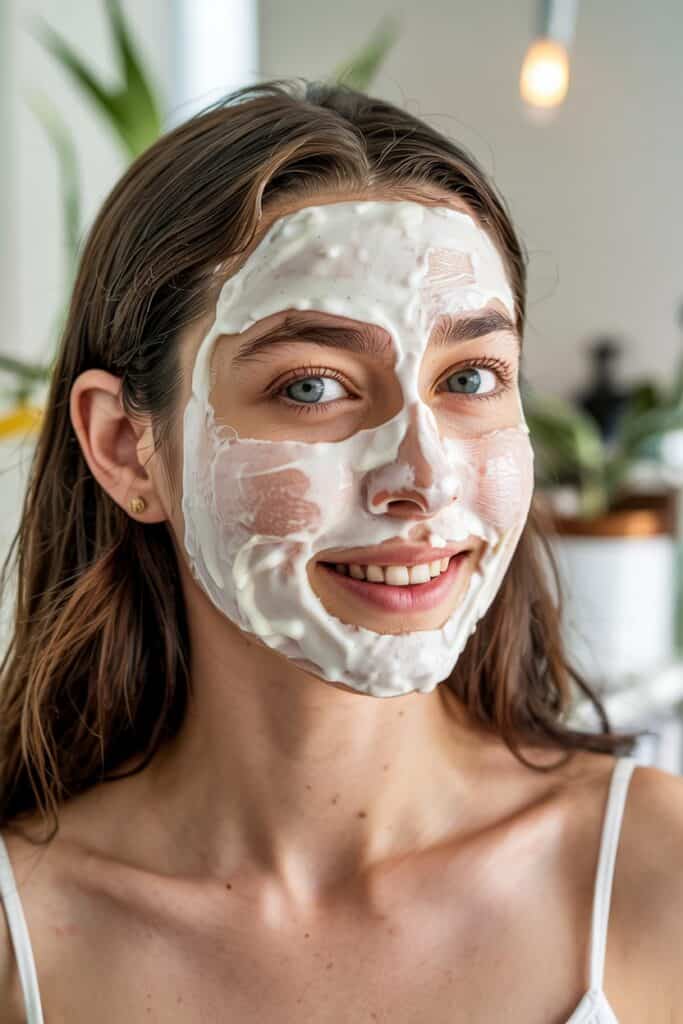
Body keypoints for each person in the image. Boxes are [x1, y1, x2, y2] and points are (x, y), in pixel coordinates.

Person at [0, 80, 681, 1023]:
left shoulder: (656, 877)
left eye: (470, 377)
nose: (424, 479)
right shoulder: (21, 934)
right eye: (312, 387)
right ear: (126, 448)